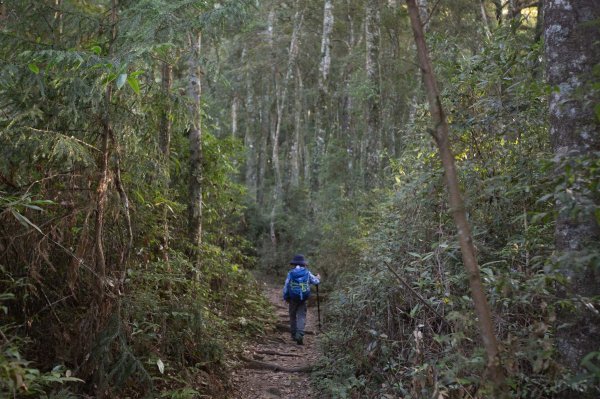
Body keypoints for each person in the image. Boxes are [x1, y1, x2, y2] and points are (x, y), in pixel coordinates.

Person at [282, 254, 320, 345]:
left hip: (293, 298)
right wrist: (318, 277)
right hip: (303, 298)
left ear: (294, 264)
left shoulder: (291, 273)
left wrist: (285, 297)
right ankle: (300, 335)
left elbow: (286, 286)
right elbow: (316, 281)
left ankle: (294, 335)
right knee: (301, 316)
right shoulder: (307, 272)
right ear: (303, 264)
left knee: (292, 316)